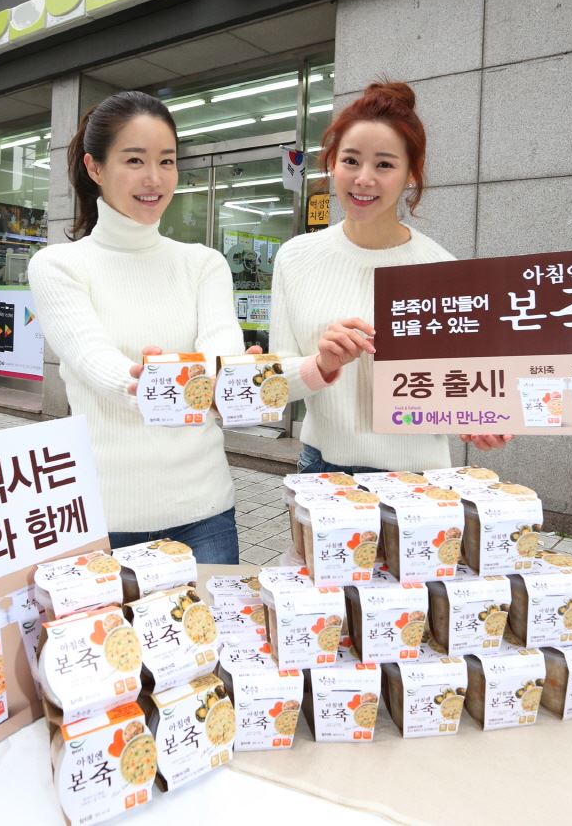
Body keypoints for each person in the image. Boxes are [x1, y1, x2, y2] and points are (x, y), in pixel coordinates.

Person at [28, 91, 245, 561]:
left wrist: (204, 377)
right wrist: (146, 382)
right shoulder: (59, 265)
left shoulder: (203, 264)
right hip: (105, 518)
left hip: (205, 512)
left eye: (167, 161)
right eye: (134, 160)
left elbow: (223, 353)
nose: (154, 178)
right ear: (95, 168)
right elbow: (92, 359)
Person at [269, 81, 512, 475]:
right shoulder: (295, 257)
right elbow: (275, 381)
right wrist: (322, 363)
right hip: (321, 469)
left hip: (416, 479)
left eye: (384, 165)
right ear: (332, 164)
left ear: (410, 173)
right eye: (350, 160)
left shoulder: (442, 269)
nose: (364, 178)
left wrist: (480, 418)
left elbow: (461, 387)